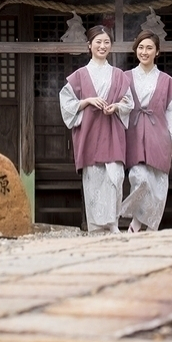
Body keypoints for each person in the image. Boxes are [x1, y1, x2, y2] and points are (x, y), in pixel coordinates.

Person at [59, 25, 134, 233]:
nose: (102, 46)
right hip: (90, 133)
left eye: (106, 42)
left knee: (115, 177)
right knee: (94, 179)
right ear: (89, 45)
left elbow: (128, 102)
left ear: (111, 45)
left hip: (112, 132)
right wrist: (87, 101)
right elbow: (66, 103)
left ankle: (112, 223)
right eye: (98, 42)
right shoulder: (79, 76)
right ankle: (95, 227)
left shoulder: (119, 75)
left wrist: (116, 106)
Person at [120, 30, 172, 232]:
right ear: (136, 50)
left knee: (159, 184)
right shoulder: (125, 78)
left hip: (159, 136)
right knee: (139, 178)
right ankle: (136, 223)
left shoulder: (166, 81)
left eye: (149, 48)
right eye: (141, 47)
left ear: (157, 52)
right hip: (134, 134)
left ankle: (150, 229)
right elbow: (119, 106)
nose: (144, 51)